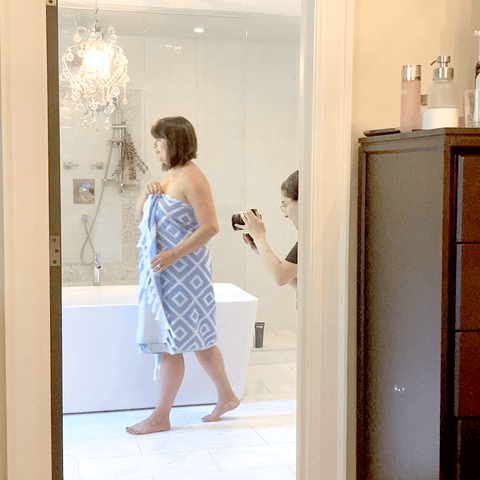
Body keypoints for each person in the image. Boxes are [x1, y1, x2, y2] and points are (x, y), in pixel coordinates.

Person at [127, 116, 239, 435]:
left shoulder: (192, 178)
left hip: (184, 276)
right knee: (201, 342)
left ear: (174, 143)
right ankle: (227, 396)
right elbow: (140, 218)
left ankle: (161, 416)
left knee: (172, 345)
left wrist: (174, 254)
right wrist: (145, 195)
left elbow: (211, 226)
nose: (155, 146)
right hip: (166, 276)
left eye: (159, 140)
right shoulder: (171, 176)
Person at [238, 170, 298, 290]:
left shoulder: (311, 238)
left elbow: (281, 276)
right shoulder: (315, 233)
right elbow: (300, 284)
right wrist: (258, 248)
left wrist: (260, 235)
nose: (285, 214)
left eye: (285, 205)